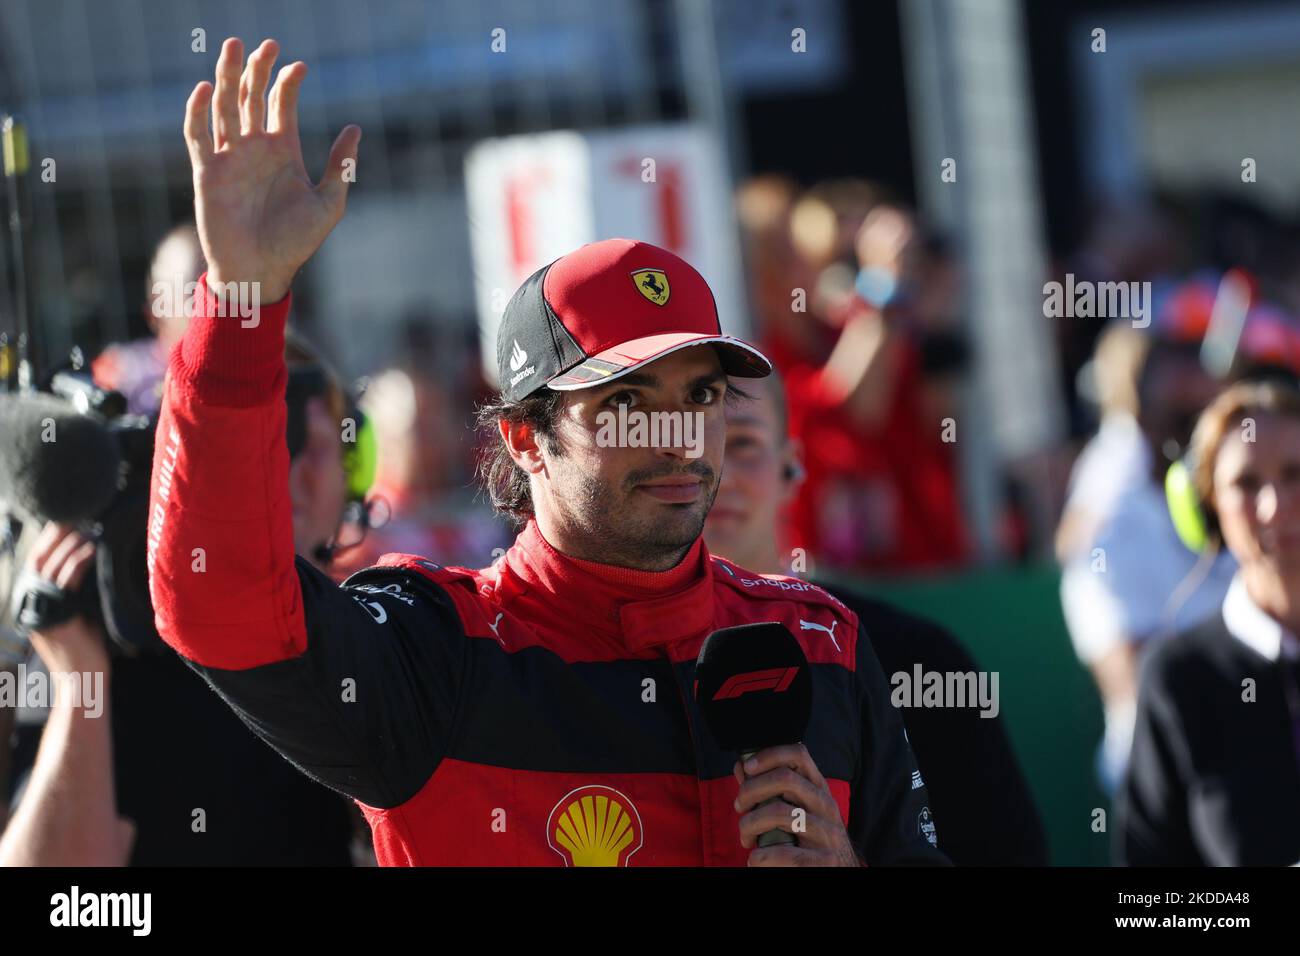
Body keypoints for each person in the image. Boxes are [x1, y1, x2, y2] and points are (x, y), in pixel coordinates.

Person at [148, 36, 946, 866]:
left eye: (700, 396)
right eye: (627, 401)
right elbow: (218, 605)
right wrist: (242, 299)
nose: (676, 436)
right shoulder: (441, 652)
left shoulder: (819, 643)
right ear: (525, 438)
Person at [0, 333, 359, 866]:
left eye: (315, 445)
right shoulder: (120, 645)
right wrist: (80, 678)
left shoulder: (364, 641)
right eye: (273, 443)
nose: (295, 474)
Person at [704, 369, 1048, 865]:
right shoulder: (607, 662)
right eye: (690, 442)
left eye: (742, 443)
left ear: (791, 468)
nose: (716, 472)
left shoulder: (914, 660)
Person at [1119, 378, 1300, 865]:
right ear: (1205, 507)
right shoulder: (1178, 678)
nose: (1275, 505)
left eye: (1294, 474)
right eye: (1246, 483)